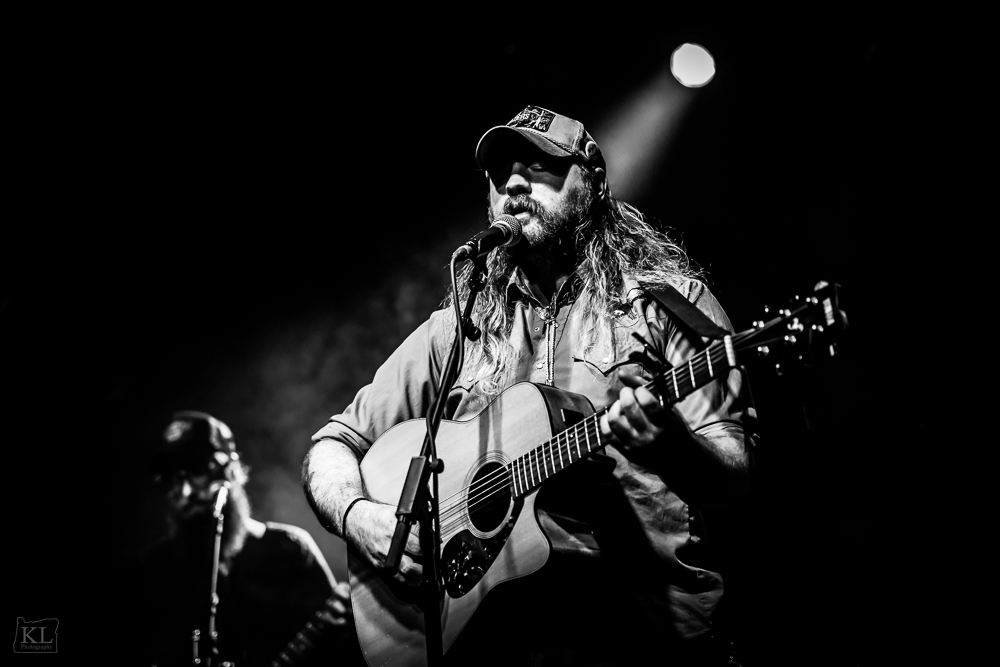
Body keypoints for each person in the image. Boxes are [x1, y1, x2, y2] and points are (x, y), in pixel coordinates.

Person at [303, 105, 753, 666]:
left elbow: (734, 481)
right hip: (497, 643)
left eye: (539, 166)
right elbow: (331, 447)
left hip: (651, 639)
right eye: (499, 176)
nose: (513, 183)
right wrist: (360, 518)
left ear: (591, 182)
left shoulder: (666, 305)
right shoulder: (459, 328)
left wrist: (669, 445)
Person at [128, 410, 362, 666]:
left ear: (231, 471)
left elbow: (342, 645)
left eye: (196, 470)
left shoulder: (289, 549)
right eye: (173, 478)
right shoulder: (156, 570)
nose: (186, 492)